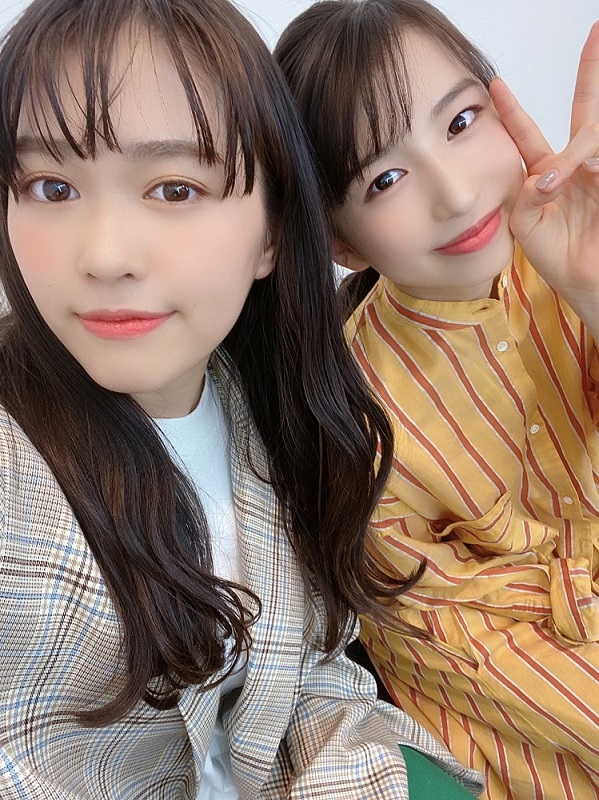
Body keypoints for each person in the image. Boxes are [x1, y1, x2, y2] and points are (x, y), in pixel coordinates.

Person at [0, 0, 489, 797]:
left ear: (272, 232)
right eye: (51, 187)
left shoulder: (269, 413)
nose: (105, 255)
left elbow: (306, 674)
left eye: (174, 188)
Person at [275, 1, 599, 798]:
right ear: (340, 239)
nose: (454, 195)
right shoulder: (355, 417)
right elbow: (456, 645)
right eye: (384, 179)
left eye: (460, 122)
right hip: (520, 696)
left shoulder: (578, 244)